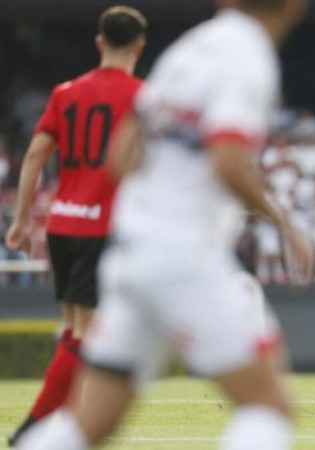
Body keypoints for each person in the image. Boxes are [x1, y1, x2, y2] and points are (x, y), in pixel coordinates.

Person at [16, 0, 310, 449]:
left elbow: (122, 155)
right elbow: (228, 160)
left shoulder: (187, 50)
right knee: (267, 406)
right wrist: (284, 223)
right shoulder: (250, 56)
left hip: (129, 252)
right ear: (294, 6)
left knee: (88, 425)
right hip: (184, 256)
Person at [5, 6, 147, 446]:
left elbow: (34, 155)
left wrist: (22, 218)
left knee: (72, 328)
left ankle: (58, 421)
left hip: (63, 224)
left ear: (100, 43)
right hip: (101, 228)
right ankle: (36, 426)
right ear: (139, 46)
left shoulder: (66, 92)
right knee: (89, 333)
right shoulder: (142, 96)